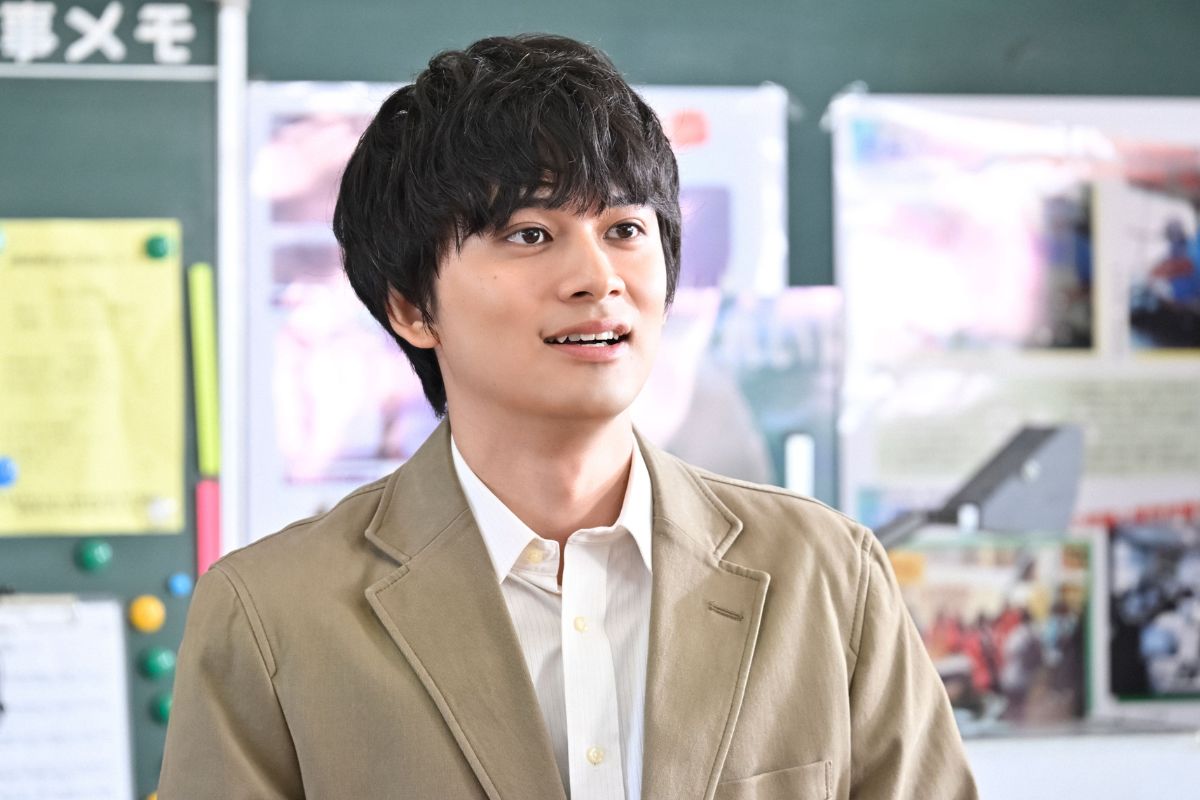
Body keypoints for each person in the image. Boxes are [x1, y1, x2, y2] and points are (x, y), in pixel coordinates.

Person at [159, 34, 977, 799]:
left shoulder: (828, 576)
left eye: (625, 227)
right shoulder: (274, 614)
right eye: (528, 234)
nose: (597, 275)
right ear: (412, 307)